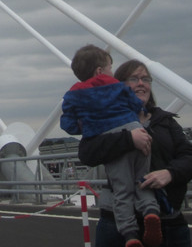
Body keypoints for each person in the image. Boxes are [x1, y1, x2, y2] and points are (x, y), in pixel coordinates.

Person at [79, 59, 192, 247]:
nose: (141, 83)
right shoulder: (106, 121)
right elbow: (87, 153)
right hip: (116, 222)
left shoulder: (165, 121)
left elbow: (188, 156)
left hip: (167, 220)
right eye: (134, 78)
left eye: (146, 79)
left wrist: (170, 173)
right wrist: (129, 139)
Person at [61, 45, 162, 247]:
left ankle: (130, 235)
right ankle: (151, 211)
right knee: (142, 179)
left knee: (122, 189)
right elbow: (134, 104)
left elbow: (68, 124)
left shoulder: (74, 94)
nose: (111, 72)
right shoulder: (116, 85)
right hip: (137, 129)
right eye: (110, 67)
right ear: (100, 70)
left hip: (111, 138)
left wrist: (82, 124)